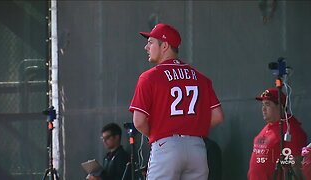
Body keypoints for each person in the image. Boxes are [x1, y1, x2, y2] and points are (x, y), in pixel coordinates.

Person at [129, 23, 224, 180]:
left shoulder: (149, 77)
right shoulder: (201, 78)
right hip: (197, 147)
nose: (146, 47)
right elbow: (218, 116)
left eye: (151, 42)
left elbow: (138, 122)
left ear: (165, 45)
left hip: (166, 146)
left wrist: (156, 134)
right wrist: (193, 128)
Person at [247, 88, 308, 180]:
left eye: (267, 104)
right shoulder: (268, 127)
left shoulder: (290, 130)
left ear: (280, 106)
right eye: (262, 104)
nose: (263, 109)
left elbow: (296, 165)